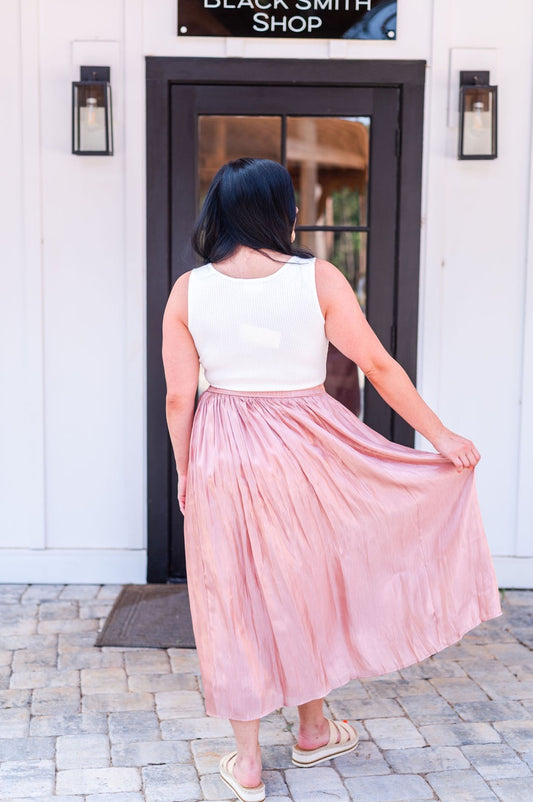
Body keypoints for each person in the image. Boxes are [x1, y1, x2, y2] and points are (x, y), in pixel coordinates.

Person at [162, 158, 502, 802]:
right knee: (305, 581)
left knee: (229, 596)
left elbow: (181, 399)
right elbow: (375, 362)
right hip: (309, 444)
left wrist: (185, 469)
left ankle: (250, 764)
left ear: (219, 215)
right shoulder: (317, 278)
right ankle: (313, 729)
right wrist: (441, 437)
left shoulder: (189, 290)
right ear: (284, 213)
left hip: (223, 446)